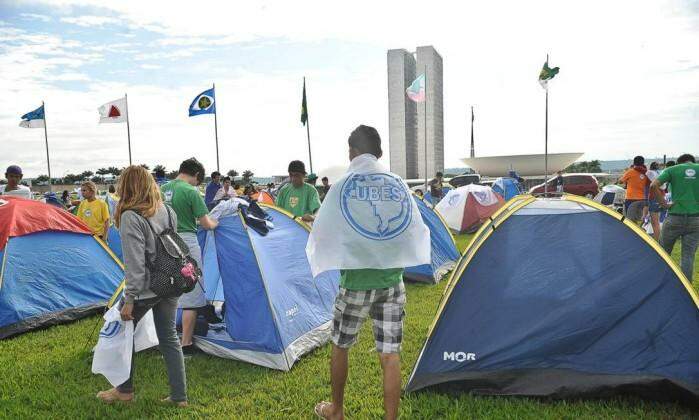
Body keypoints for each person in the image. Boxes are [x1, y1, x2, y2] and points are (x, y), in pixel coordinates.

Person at [308, 125, 430, 420]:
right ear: (381, 153)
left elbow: (324, 230)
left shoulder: (342, 185)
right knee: (390, 355)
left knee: (340, 345)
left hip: (356, 284)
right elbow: (412, 227)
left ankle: (336, 410)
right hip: (392, 282)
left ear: (351, 152)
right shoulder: (398, 183)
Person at [96, 165, 187, 407]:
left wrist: (130, 299)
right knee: (169, 337)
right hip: (171, 281)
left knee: (123, 334)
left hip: (147, 288)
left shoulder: (130, 216)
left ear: (125, 187)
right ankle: (179, 397)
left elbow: (135, 263)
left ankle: (124, 391)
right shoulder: (167, 210)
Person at [161, 158, 218, 354]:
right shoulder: (190, 192)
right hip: (186, 242)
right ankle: (186, 344)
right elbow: (206, 224)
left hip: (164, 241)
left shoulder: (161, 190)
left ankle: (165, 341)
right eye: (198, 180)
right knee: (192, 293)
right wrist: (216, 223)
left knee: (168, 291)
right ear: (195, 175)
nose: (198, 183)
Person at [650, 153, 699, 281]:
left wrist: (664, 204)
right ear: (692, 162)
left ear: (679, 163)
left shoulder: (672, 169)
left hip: (674, 217)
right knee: (688, 257)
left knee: (663, 252)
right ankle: (686, 290)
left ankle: (658, 281)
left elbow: (653, 186)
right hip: (696, 219)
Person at [618, 156, 649, 224]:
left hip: (631, 199)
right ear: (643, 163)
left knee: (629, 221)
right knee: (640, 220)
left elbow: (620, 181)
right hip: (644, 200)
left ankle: (630, 234)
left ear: (634, 163)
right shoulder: (647, 173)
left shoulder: (630, 172)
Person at [645, 162, 663, 241]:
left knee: (655, 222)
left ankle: (656, 241)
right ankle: (658, 239)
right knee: (657, 221)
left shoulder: (650, 173)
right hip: (662, 196)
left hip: (654, 197)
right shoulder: (661, 173)